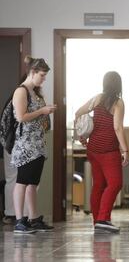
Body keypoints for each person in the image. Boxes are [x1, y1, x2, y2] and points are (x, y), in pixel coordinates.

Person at [75, 71, 129, 233]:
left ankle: (97, 222)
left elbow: (78, 113)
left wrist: (81, 135)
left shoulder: (97, 98)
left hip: (93, 149)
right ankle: (103, 218)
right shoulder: (118, 103)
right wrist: (125, 150)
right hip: (108, 150)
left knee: (99, 185)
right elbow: (117, 127)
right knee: (115, 183)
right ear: (119, 85)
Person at [11, 56, 56, 234]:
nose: (44, 79)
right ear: (33, 72)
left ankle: (33, 218)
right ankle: (19, 220)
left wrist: (45, 112)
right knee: (22, 181)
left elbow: (36, 116)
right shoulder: (21, 91)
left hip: (37, 145)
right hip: (25, 146)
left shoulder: (35, 93)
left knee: (33, 183)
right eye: (42, 75)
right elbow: (21, 117)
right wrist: (43, 111)